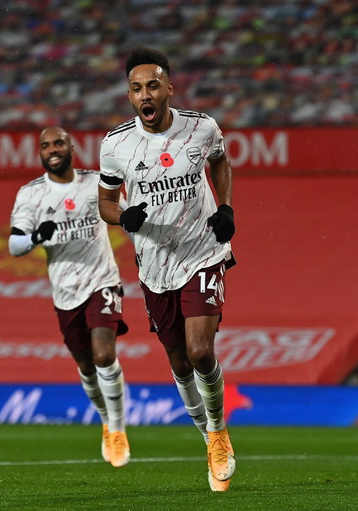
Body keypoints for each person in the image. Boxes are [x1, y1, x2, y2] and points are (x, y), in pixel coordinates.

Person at [97, 46, 237, 491]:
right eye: (136, 88)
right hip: (155, 266)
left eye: (153, 85)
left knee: (199, 351)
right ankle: (207, 437)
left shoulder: (201, 128)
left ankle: (219, 433)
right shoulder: (115, 145)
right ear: (129, 95)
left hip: (203, 251)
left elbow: (220, 161)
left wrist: (226, 207)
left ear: (169, 89)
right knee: (177, 359)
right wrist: (124, 216)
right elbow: (105, 202)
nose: (145, 94)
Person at [9, 126, 131, 468]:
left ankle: (118, 429)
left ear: (71, 147)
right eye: (45, 145)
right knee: (86, 366)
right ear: (40, 153)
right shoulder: (31, 194)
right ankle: (105, 420)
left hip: (103, 281)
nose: (53, 149)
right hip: (65, 292)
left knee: (104, 354)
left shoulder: (96, 183)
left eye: (59, 143)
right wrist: (36, 237)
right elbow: (14, 245)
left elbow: (125, 217)